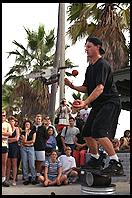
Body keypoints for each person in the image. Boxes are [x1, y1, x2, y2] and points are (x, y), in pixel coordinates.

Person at [64, 36, 124, 176]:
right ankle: (96, 159)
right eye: (85, 46)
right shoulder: (90, 68)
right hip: (98, 104)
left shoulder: (103, 65)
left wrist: (85, 103)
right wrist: (71, 85)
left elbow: (99, 88)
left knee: (99, 132)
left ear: (98, 47)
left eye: (89, 46)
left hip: (110, 102)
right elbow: (86, 88)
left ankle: (116, 162)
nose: (86, 49)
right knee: (86, 133)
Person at [20, 120, 37, 185]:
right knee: (24, 164)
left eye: (28, 124)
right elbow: (24, 141)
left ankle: (33, 179)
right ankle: (26, 179)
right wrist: (26, 133)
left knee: (32, 164)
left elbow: (33, 141)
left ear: (30, 125)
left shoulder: (33, 132)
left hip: (31, 148)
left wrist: (26, 143)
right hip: (24, 149)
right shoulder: (22, 132)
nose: (27, 125)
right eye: (26, 124)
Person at [33, 114, 48, 181]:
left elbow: (46, 137)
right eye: (37, 118)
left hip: (41, 147)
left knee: (39, 162)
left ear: (41, 120)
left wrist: (43, 143)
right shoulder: (32, 127)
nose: (38, 120)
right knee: (33, 162)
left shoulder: (43, 128)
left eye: (39, 119)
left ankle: (38, 176)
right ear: (35, 119)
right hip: (32, 147)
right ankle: (32, 175)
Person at [6, 116, 20, 186]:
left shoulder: (17, 129)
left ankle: (14, 180)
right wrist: (11, 139)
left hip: (14, 148)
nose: (11, 122)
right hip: (8, 147)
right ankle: (7, 180)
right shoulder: (7, 129)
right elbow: (5, 138)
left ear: (15, 122)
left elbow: (17, 139)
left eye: (13, 121)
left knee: (14, 165)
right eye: (10, 121)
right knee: (8, 165)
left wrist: (8, 140)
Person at [2, 110, 12, 187]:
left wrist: (4, 135)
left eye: (4, 115)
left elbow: (10, 133)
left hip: (4, 145)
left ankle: (3, 179)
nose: (2, 117)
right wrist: (5, 135)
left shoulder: (7, 124)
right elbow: (7, 134)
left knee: (4, 163)